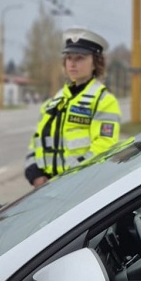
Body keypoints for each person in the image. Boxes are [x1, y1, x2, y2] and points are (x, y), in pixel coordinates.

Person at [24, 27, 121, 187]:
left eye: (80, 58)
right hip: (47, 187)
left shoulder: (104, 101)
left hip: (81, 187)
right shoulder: (54, 101)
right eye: (69, 58)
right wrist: (34, 174)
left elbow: (104, 148)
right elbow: (36, 142)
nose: (73, 64)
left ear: (95, 63)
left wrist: (68, 179)